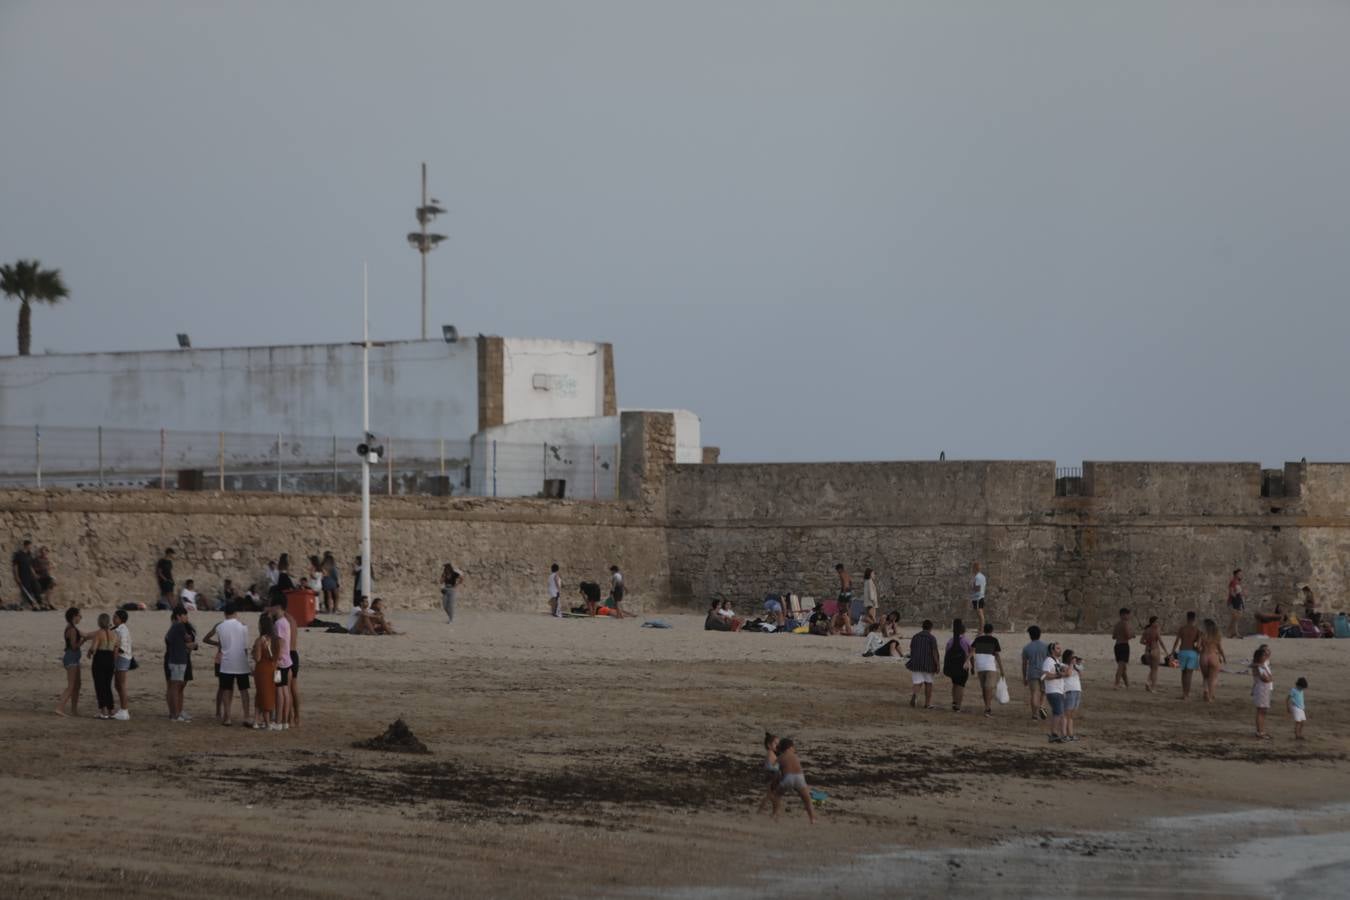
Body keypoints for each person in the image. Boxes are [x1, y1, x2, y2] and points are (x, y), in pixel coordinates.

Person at [204, 602, 251, 727]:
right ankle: (246, 716)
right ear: (236, 613)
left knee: (226, 689)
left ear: (225, 613)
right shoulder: (243, 626)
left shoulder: (220, 626)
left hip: (226, 661)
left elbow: (214, 640)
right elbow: (245, 648)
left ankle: (227, 716)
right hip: (240, 662)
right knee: (244, 690)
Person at [164, 606, 197, 722]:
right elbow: (186, 641)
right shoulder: (178, 626)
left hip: (180, 658)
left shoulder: (178, 627)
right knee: (174, 686)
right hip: (177, 658)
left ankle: (177, 712)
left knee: (178, 686)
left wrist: (190, 644)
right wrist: (189, 645)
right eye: (185, 615)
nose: (187, 617)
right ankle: (175, 713)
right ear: (179, 616)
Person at [771, 737, 815, 824]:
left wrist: (774, 783)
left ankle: (775, 815)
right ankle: (812, 819)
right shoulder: (795, 756)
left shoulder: (780, 758)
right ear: (790, 748)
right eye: (793, 747)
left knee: (777, 796)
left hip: (788, 778)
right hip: (800, 777)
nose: (794, 749)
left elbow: (776, 774)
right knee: (807, 800)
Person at [87, 613, 119, 720]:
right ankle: (111, 711)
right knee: (107, 686)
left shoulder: (99, 633)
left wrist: (90, 652)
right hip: (110, 659)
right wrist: (113, 663)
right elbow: (116, 650)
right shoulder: (114, 634)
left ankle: (103, 711)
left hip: (100, 659)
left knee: (99, 685)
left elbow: (94, 648)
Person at [56, 607, 87, 716]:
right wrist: (83, 641)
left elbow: (87, 635)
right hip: (71, 658)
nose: (81, 617)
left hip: (74, 659)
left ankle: (74, 710)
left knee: (77, 685)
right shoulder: (72, 630)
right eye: (79, 615)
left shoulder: (73, 628)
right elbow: (74, 646)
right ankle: (60, 708)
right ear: (74, 616)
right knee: (71, 686)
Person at [268, 600, 293, 730]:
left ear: (277, 606)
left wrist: (275, 660)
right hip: (287, 661)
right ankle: (284, 721)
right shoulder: (286, 622)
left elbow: (280, 643)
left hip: (280, 662)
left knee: (279, 690)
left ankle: (278, 721)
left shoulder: (278, 624)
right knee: (285, 690)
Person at [971, 623, 1004, 718]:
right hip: (990, 667)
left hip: (980, 667)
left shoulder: (978, 639)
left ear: (984, 630)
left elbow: (972, 650)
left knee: (984, 688)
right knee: (988, 688)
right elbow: (997, 655)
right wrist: (1001, 669)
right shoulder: (994, 640)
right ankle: (988, 708)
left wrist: (969, 663)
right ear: (992, 631)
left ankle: (987, 707)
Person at [252, 613, 278, 730]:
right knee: (267, 694)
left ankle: (261, 721)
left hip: (262, 670)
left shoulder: (260, 640)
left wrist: (253, 653)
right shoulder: (275, 640)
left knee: (261, 694)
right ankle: (263, 721)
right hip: (272, 668)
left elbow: (257, 658)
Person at [906, 620, 940, 709]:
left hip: (916, 662)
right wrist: (937, 664)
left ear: (922, 626)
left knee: (917, 682)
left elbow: (912, 649)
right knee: (928, 683)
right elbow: (934, 652)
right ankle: (927, 703)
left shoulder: (915, 637)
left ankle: (915, 694)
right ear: (931, 628)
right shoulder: (931, 638)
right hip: (928, 663)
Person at [943, 618, 973, 712]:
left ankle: (954, 701)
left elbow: (946, 653)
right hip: (963, 666)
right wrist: (973, 666)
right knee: (961, 685)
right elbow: (971, 654)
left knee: (955, 684)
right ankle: (958, 706)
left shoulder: (950, 641)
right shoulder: (966, 641)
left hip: (952, 666)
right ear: (964, 631)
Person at [1170, 611, 1202, 700]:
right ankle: (1187, 695)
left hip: (1182, 652)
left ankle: (1184, 693)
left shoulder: (1182, 629)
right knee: (1189, 674)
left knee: (1183, 673)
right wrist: (1198, 651)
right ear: (1194, 619)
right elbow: (1199, 645)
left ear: (1187, 618)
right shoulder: (1197, 630)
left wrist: (1172, 652)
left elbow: (1176, 641)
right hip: (1192, 652)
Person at [1041, 641, 1067, 743]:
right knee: (1058, 712)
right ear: (1052, 650)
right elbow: (1044, 675)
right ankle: (1054, 734)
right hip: (1053, 690)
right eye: (1057, 648)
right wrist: (1057, 675)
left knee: (1059, 712)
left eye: (1060, 648)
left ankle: (1057, 734)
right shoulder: (1048, 661)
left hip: (1058, 690)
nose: (1060, 650)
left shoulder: (1056, 661)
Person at [1021, 625, 1049, 721]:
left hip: (1032, 672)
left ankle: (1034, 715)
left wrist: (1024, 677)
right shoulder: (1045, 646)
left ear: (1030, 635)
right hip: (1044, 672)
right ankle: (1042, 706)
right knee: (1044, 692)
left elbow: (1024, 664)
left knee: (1034, 693)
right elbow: (1050, 660)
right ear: (1039, 634)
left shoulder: (1027, 648)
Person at [111, 609, 133, 720]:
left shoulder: (121, 630)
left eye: (115, 617)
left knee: (121, 684)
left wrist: (112, 660)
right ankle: (122, 709)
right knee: (117, 684)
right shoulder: (119, 629)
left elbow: (120, 648)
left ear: (120, 619)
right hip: (123, 658)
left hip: (122, 658)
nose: (113, 619)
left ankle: (125, 710)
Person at [12, 539, 46, 610]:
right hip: (23, 576)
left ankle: (41, 604)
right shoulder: (18, 555)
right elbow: (15, 566)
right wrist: (17, 576)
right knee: (27, 590)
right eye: (30, 545)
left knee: (37, 588)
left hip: (30, 575)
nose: (31, 547)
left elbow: (30, 566)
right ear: (26, 545)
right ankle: (33, 605)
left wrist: (34, 574)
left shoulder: (29, 554)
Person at [1199, 618, 1226, 703]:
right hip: (1213, 655)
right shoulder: (1217, 635)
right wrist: (1224, 657)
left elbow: (1198, 646)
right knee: (1213, 678)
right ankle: (1211, 696)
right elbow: (1220, 648)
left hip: (1204, 656)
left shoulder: (1202, 635)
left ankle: (1206, 691)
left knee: (1205, 677)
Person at [1250, 644, 1273, 740]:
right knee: (1261, 710)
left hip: (1264, 689)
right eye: (1263, 655)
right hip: (1262, 689)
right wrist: (1269, 678)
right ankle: (1260, 731)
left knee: (1263, 711)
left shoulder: (1262, 665)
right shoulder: (1260, 666)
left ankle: (1261, 730)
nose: (1265, 656)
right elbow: (1266, 679)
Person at [757, 733, 781, 814]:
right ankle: (761, 811)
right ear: (769, 745)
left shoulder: (774, 754)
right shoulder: (770, 753)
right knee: (770, 796)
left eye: (778, 744)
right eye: (775, 743)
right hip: (771, 776)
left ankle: (772, 812)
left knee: (771, 795)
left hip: (774, 775)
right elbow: (772, 766)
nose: (777, 746)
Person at [1063, 650, 1083, 741]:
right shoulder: (1063, 666)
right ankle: (1064, 734)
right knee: (1067, 714)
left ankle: (1070, 734)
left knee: (1071, 715)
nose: (1073, 658)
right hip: (1069, 690)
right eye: (1072, 657)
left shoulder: (1075, 667)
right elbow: (1068, 674)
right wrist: (1071, 664)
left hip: (1077, 690)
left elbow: (1081, 674)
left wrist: (1077, 665)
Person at [1141, 615, 1165, 693]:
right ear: (1153, 622)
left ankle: (1148, 681)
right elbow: (1161, 642)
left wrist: (1147, 643)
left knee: (1152, 669)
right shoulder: (1156, 630)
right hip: (1155, 650)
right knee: (1155, 670)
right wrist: (1167, 652)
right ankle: (1153, 687)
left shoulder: (1146, 630)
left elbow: (1141, 641)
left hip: (1147, 651)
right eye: (1157, 622)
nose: (1158, 623)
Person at [1112, 608, 1133, 689]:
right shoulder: (1125, 624)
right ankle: (1116, 684)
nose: (1128, 616)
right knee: (1121, 667)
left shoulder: (1117, 624)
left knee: (1123, 667)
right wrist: (1133, 634)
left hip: (1117, 646)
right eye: (1127, 614)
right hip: (1124, 645)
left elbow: (1113, 636)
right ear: (1123, 615)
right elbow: (1128, 635)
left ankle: (1127, 684)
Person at [1287, 677, 1308, 741]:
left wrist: (1303, 707)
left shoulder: (1301, 690)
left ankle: (1300, 734)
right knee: (1298, 722)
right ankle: (1297, 735)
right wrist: (1288, 707)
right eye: (1302, 687)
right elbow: (1288, 698)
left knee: (1303, 722)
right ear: (1298, 685)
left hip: (1301, 708)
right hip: (1296, 707)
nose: (1302, 688)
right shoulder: (1293, 690)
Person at [969, 562, 988, 631]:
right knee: (980, 614)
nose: (972, 569)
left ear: (975, 568)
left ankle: (981, 629)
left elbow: (978, 588)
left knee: (980, 614)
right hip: (980, 596)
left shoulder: (977, 577)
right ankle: (980, 628)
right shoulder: (982, 576)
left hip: (977, 597)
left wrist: (972, 587)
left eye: (973, 568)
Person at [1227, 568, 1245, 638]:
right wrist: (1236, 597)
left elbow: (1240, 593)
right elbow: (1231, 592)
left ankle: (1230, 632)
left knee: (1234, 618)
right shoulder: (1233, 582)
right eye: (1239, 574)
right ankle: (1236, 633)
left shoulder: (1238, 583)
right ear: (1236, 574)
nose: (1241, 575)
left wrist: (1241, 596)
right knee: (1235, 617)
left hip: (1238, 601)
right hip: (1233, 602)